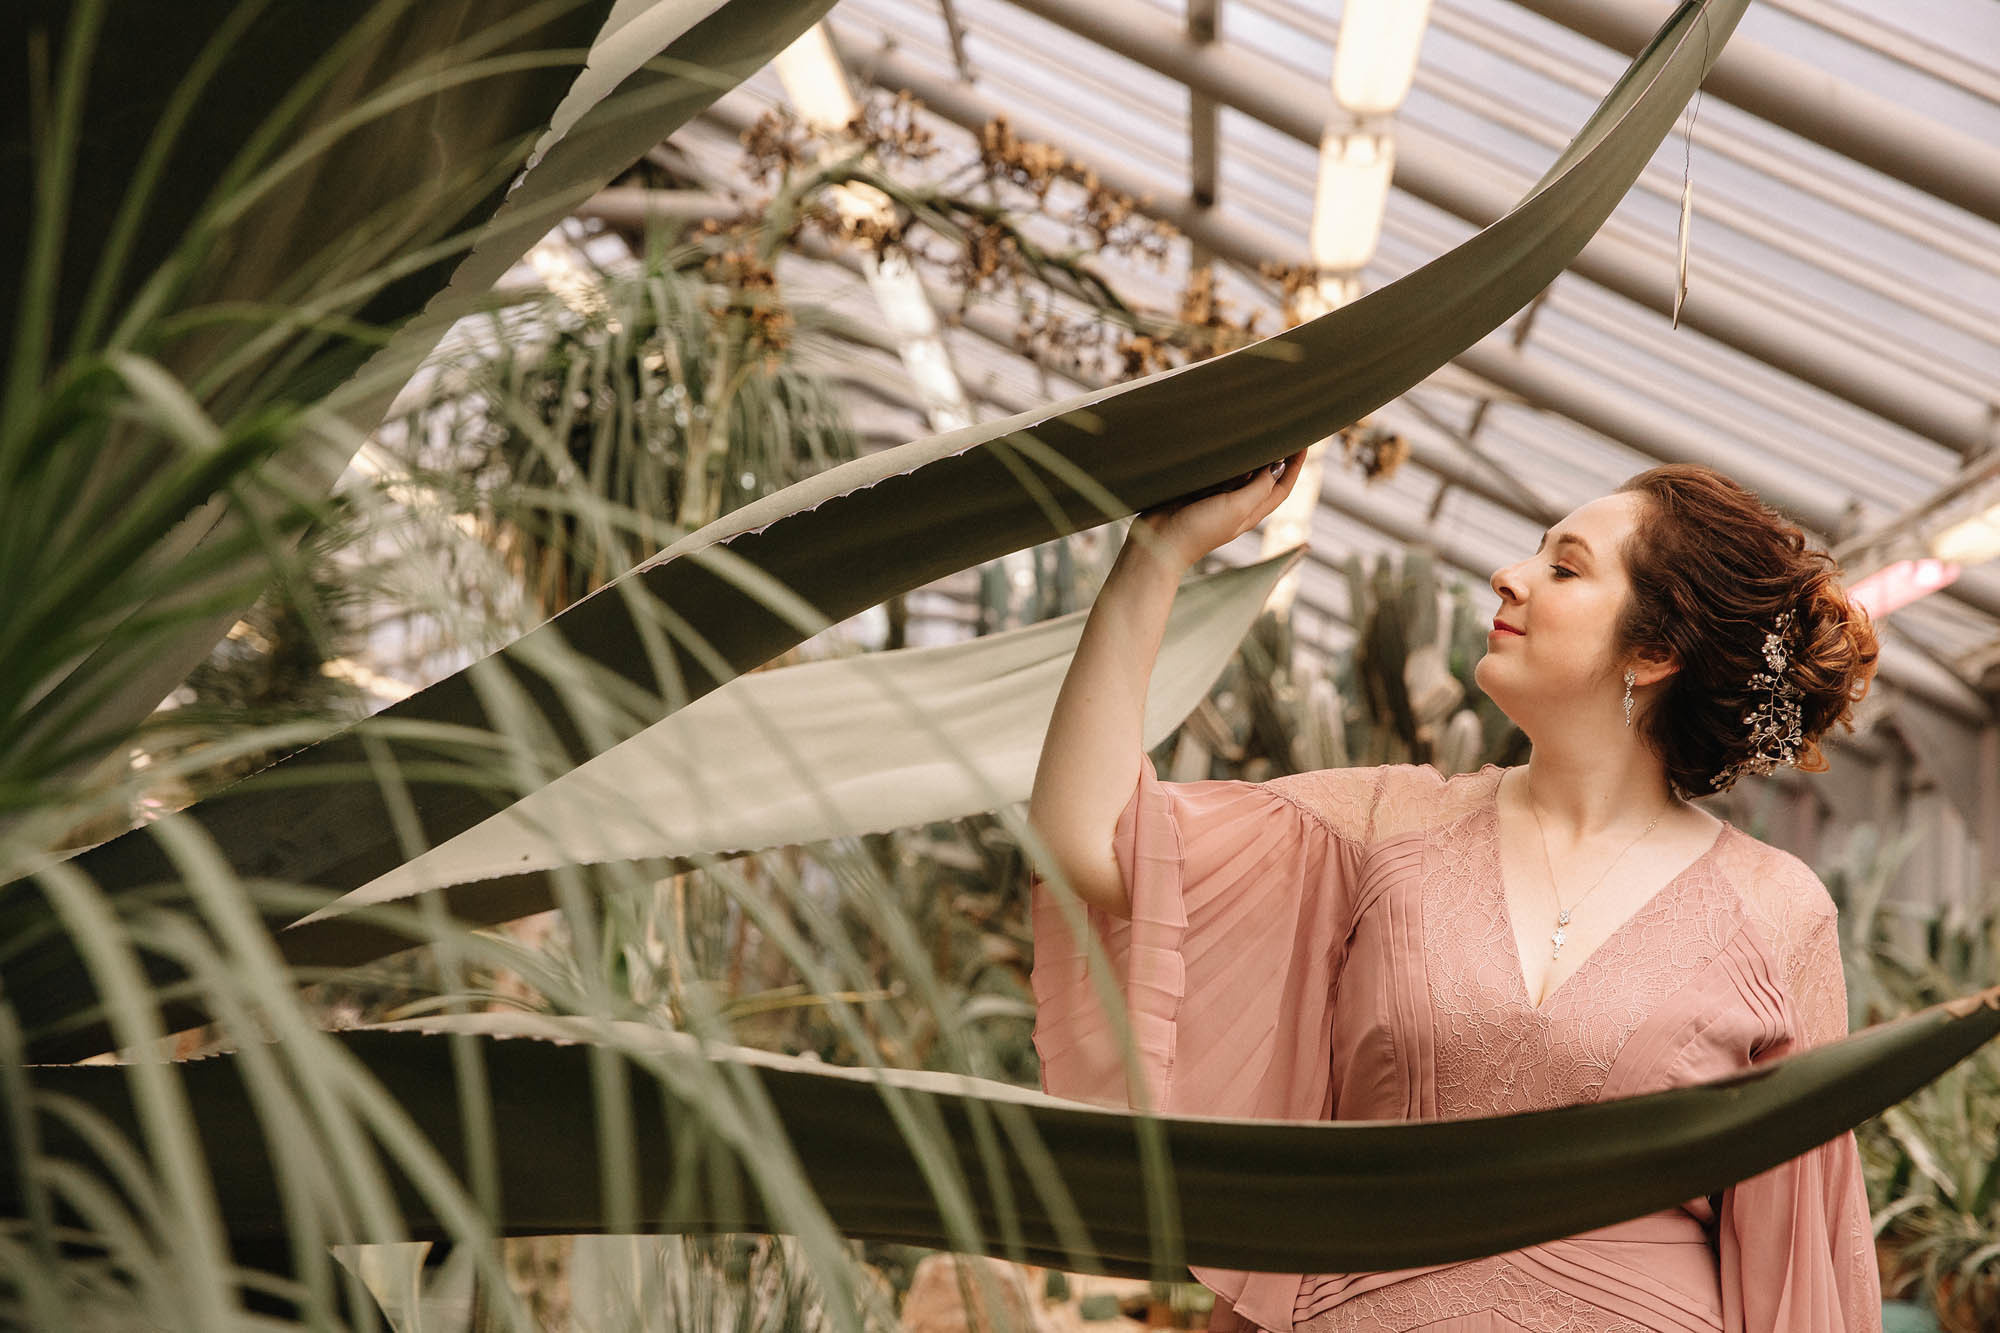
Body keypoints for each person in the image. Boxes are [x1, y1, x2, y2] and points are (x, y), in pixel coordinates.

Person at [1025, 456, 1886, 1333]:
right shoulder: (1383, 824)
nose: (1507, 575)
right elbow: (1092, 840)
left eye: (1564, 568)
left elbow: (1798, 1266)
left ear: (1655, 650)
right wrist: (1157, 554)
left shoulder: (1776, 910)